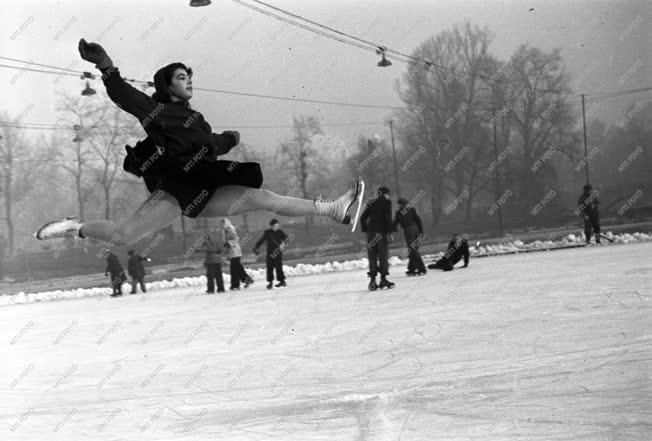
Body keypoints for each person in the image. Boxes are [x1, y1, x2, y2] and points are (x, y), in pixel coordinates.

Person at [35, 39, 365, 246]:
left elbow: (210, 146)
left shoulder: (196, 118)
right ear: (166, 86)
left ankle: (332, 209)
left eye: (189, 75)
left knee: (265, 198)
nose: (188, 79)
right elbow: (124, 95)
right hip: (177, 192)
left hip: (208, 185)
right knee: (123, 237)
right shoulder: (157, 112)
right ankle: (74, 227)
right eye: (181, 77)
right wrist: (106, 65)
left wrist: (229, 140)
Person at [359, 186, 395, 291]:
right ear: (385, 194)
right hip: (381, 233)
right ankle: (383, 279)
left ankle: (373, 281)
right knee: (383, 256)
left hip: (370, 233)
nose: (389, 196)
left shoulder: (372, 202)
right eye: (388, 194)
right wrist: (389, 232)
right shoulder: (387, 202)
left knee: (372, 256)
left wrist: (366, 230)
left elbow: (363, 218)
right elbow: (388, 218)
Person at [393, 198, 427, 276]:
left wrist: (391, 231)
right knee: (414, 250)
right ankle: (412, 269)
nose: (398, 206)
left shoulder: (399, 212)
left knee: (412, 250)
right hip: (416, 229)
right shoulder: (412, 209)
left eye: (398, 204)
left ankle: (422, 268)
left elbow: (395, 223)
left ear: (401, 204)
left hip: (409, 231)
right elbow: (418, 220)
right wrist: (421, 232)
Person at [253, 219, 288, 289]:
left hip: (278, 252)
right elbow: (261, 240)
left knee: (279, 267)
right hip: (270, 253)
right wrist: (256, 247)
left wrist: (283, 245)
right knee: (270, 268)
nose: (276, 227)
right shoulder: (267, 232)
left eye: (277, 225)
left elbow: (287, 239)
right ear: (271, 226)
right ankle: (270, 282)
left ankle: (282, 282)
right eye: (275, 226)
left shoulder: (280, 232)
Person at [222, 218, 253, 290]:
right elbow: (227, 244)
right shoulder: (225, 231)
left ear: (226, 223)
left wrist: (228, 243)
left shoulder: (229, 230)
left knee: (235, 269)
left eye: (223, 223)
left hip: (235, 252)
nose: (222, 225)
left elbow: (236, 239)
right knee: (237, 268)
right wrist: (227, 253)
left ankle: (236, 285)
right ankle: (244, 281)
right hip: (233, 253)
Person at [197, 228, 226, 294]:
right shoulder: (216, 241)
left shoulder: (206, 242)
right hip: (218, 260)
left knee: (210, 276)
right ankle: (221, 289)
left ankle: (211, 290)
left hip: (211, 260)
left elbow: (205, 249)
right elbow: (221, 249)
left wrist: (197, 250)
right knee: (218, 275)